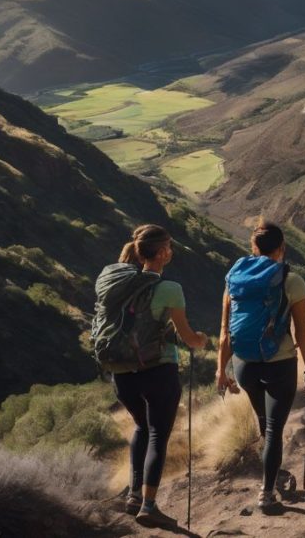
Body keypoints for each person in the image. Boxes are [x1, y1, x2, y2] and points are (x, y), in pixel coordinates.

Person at [101, 224, 209, 528]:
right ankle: (148, 504)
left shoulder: (117, 285)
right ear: (161, 253)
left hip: (122, 373)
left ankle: (134, 495)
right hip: (158, 371)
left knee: (141, 427)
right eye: (170, 247)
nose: (172, 251)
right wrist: (200, 340)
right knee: (159, 434)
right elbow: (187, 337)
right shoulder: (169, 289)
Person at [215, 220, 305, 512]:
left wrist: (221, 370)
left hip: (244, 364)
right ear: (282, 248)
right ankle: (267, 491)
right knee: (274, 428)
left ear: (253, 248)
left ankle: (273, 474)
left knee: (264, 422)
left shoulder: (234, 277)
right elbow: (302, 332)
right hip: (280, 363)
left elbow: (224, 330)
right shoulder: (291, 279)